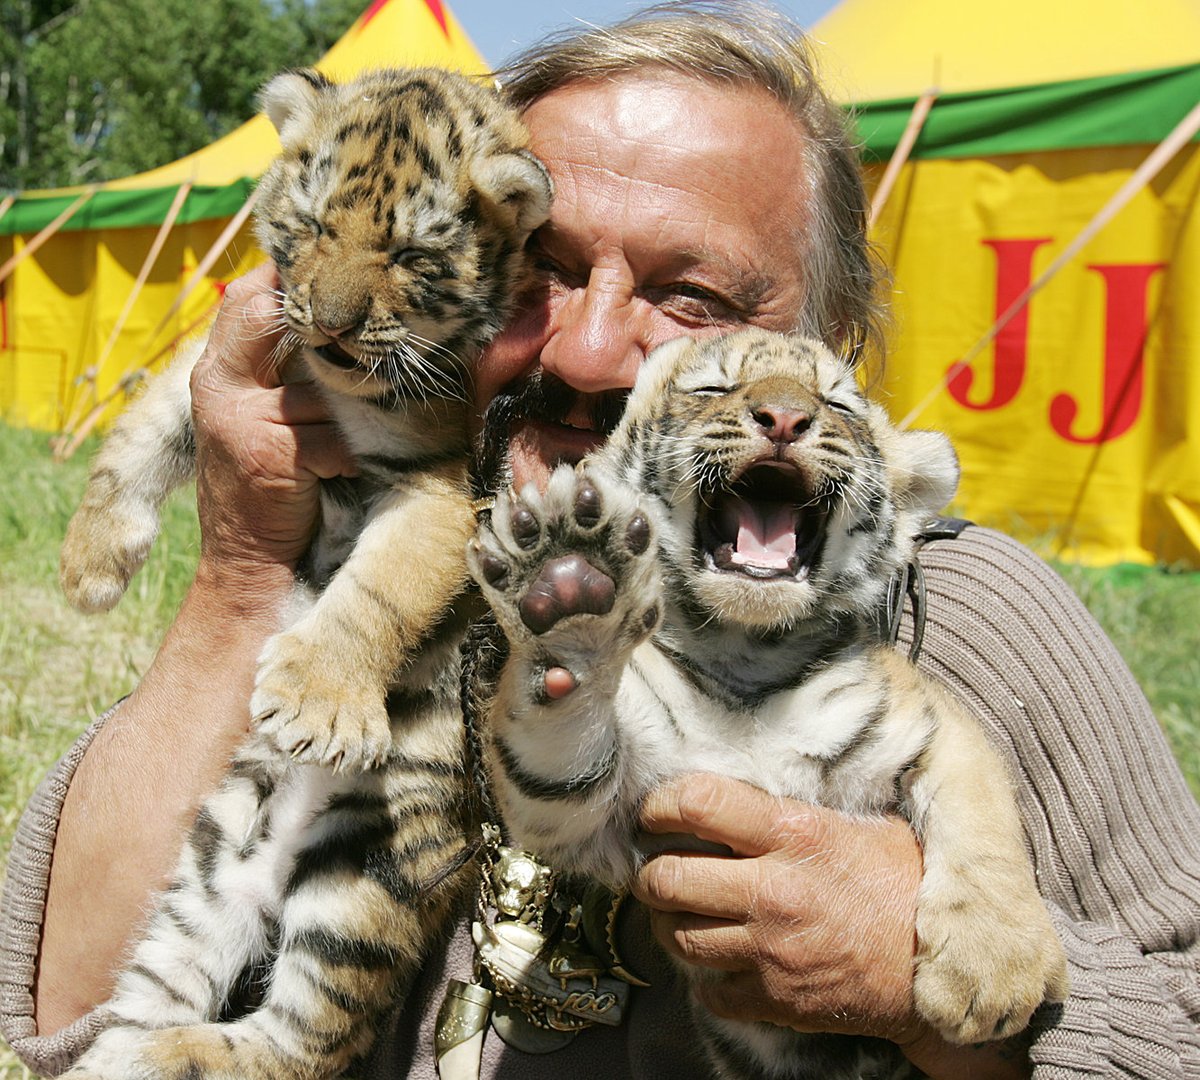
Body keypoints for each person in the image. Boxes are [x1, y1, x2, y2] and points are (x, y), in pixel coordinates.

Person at [3, 3, 1199, 1078]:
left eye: (696, 301)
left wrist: (940, 986)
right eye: (548, 272)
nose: (585, 352)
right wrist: (242, 575)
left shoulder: (961, 616)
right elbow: (64, 1012)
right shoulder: (385, 560)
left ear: (826, 345)